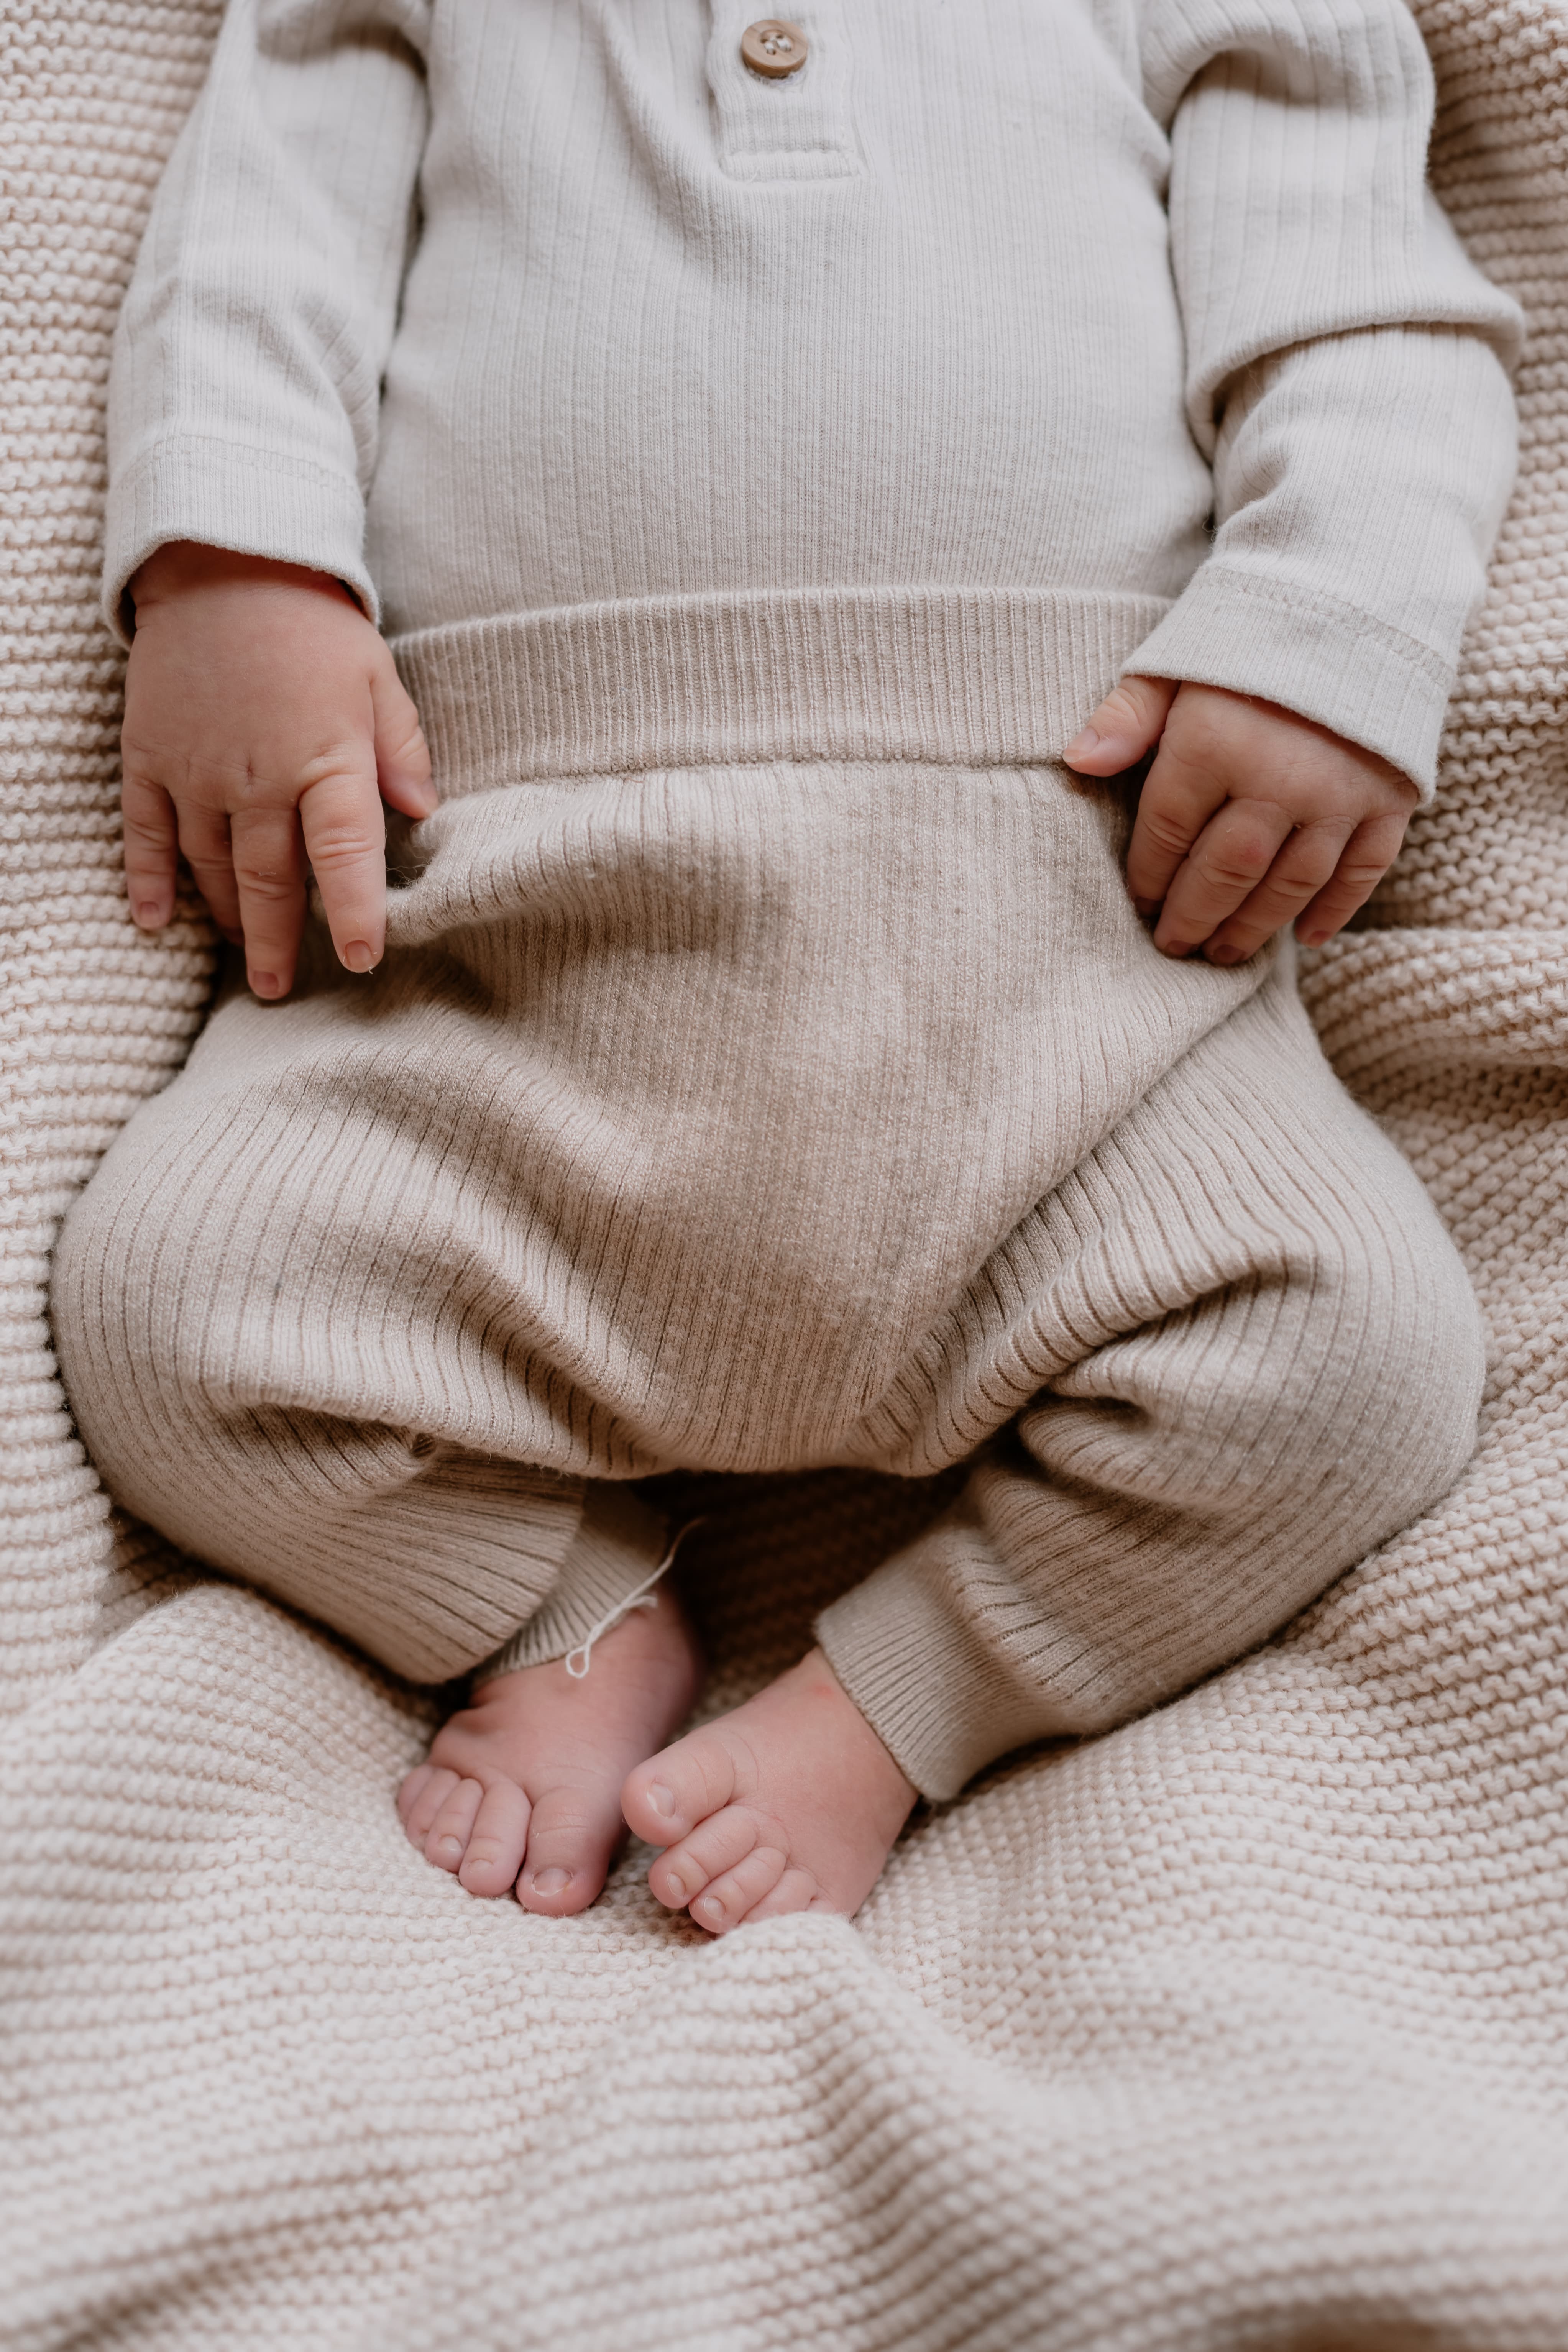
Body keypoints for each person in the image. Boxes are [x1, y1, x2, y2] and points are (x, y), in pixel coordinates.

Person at [52, 1, 1520, 1934]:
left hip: (1073, 959)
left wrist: (1324, 626)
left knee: (1359, 1366)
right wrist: (237, 561)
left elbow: (1366, 305)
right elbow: (254, 243)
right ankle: (580, 1608)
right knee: (171, 1302)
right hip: (501, 954)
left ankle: (892, 1696)